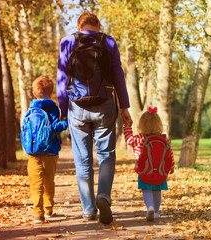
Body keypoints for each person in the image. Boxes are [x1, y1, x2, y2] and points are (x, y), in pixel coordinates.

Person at [56, 12, 132, 224]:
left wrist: (63, 110)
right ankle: (104, 197)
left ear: (78, 25)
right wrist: (125, 107)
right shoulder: (107, 41)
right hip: (105, 104)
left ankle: (89, 210)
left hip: (76, 106)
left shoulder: (68, 41)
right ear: (98, 25)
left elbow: (61, 78)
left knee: (82, 160)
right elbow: (118, 74)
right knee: (107, 155)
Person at [27, 76, 68, 223]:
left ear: (34, 93)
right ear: (51, 93)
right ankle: (49, 209)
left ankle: (38, 214)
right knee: (48, 181)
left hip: (33, 151)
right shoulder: (53, 108)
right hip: (50, 151)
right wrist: (66, 123)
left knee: (36, 182)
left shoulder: (31, 109)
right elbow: (55, 127)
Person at [123, 107, 175, 221]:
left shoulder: (140, 139)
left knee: (146, 189)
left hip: (144, 170)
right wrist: (172, 167)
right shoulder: (164, 139)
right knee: (157, 190)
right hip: (160, 171)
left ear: (142, 125)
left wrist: (127, 127)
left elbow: (128, 140)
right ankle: (156, 212)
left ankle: (150, 207)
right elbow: (169, 154)